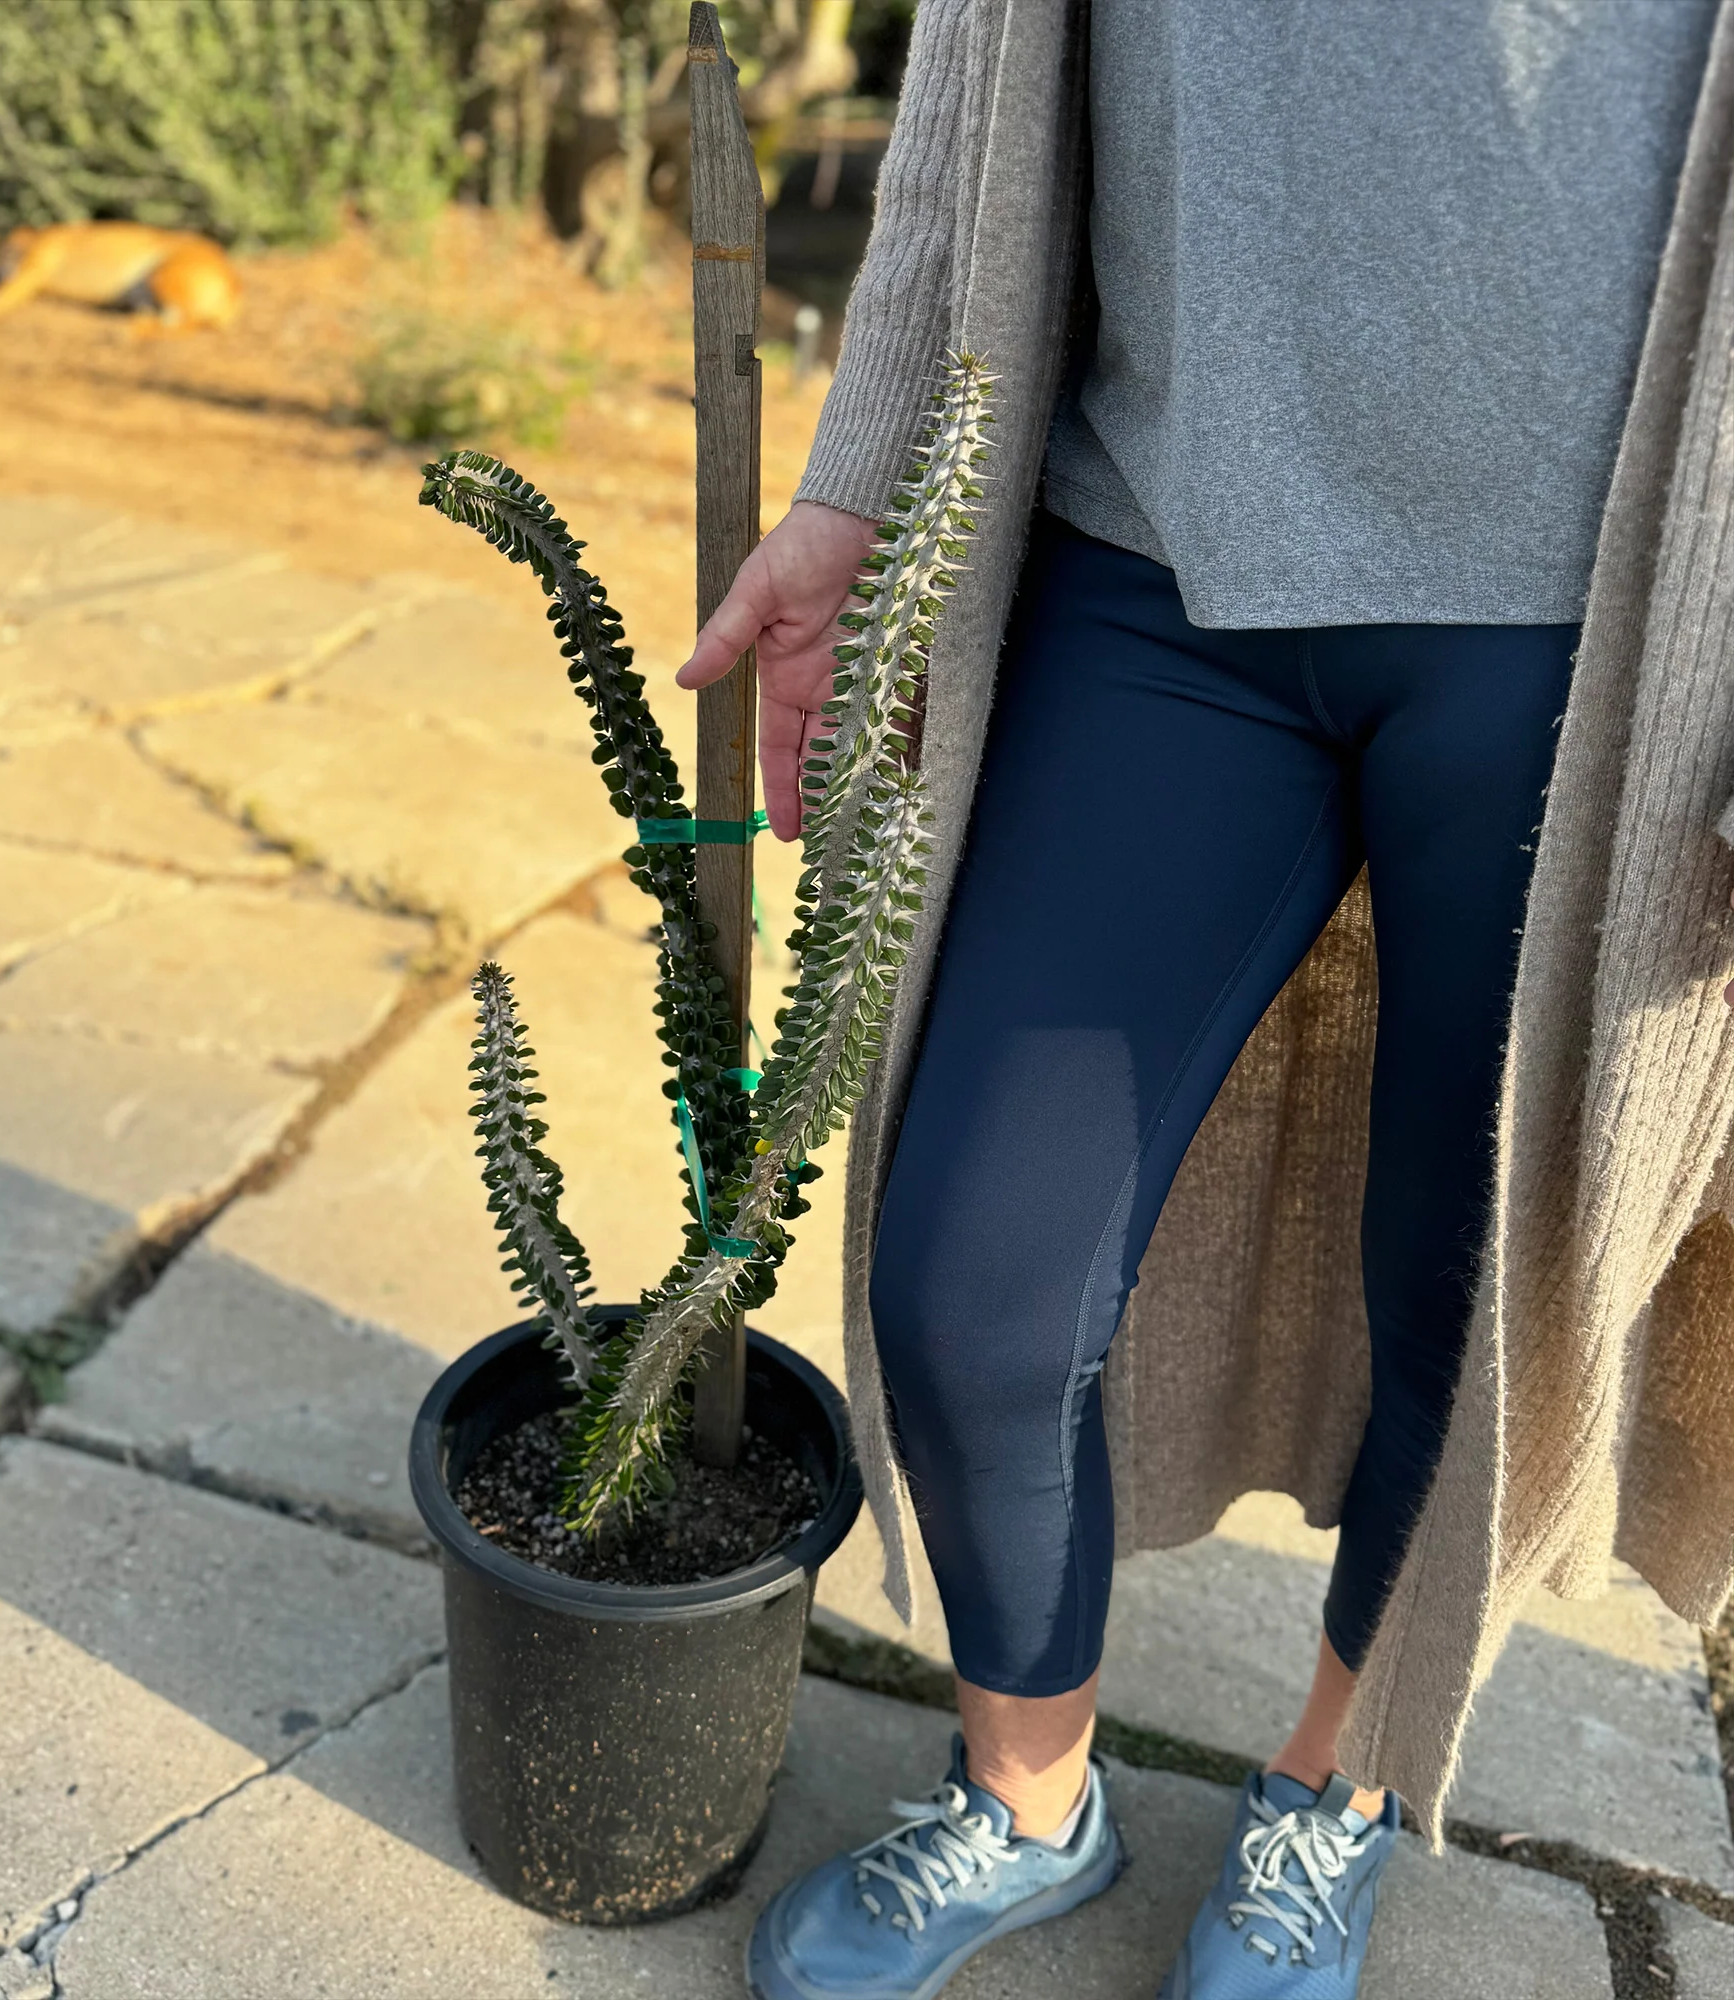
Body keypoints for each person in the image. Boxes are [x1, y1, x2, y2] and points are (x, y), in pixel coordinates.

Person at [677, 4, 1734, 1996]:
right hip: (1151, 562)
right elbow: (973, 106)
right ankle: (1025, 1796)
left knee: (1464, 1294)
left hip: (1592, 638)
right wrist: (852, 481)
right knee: (971, 1278)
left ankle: (1329, 1796)